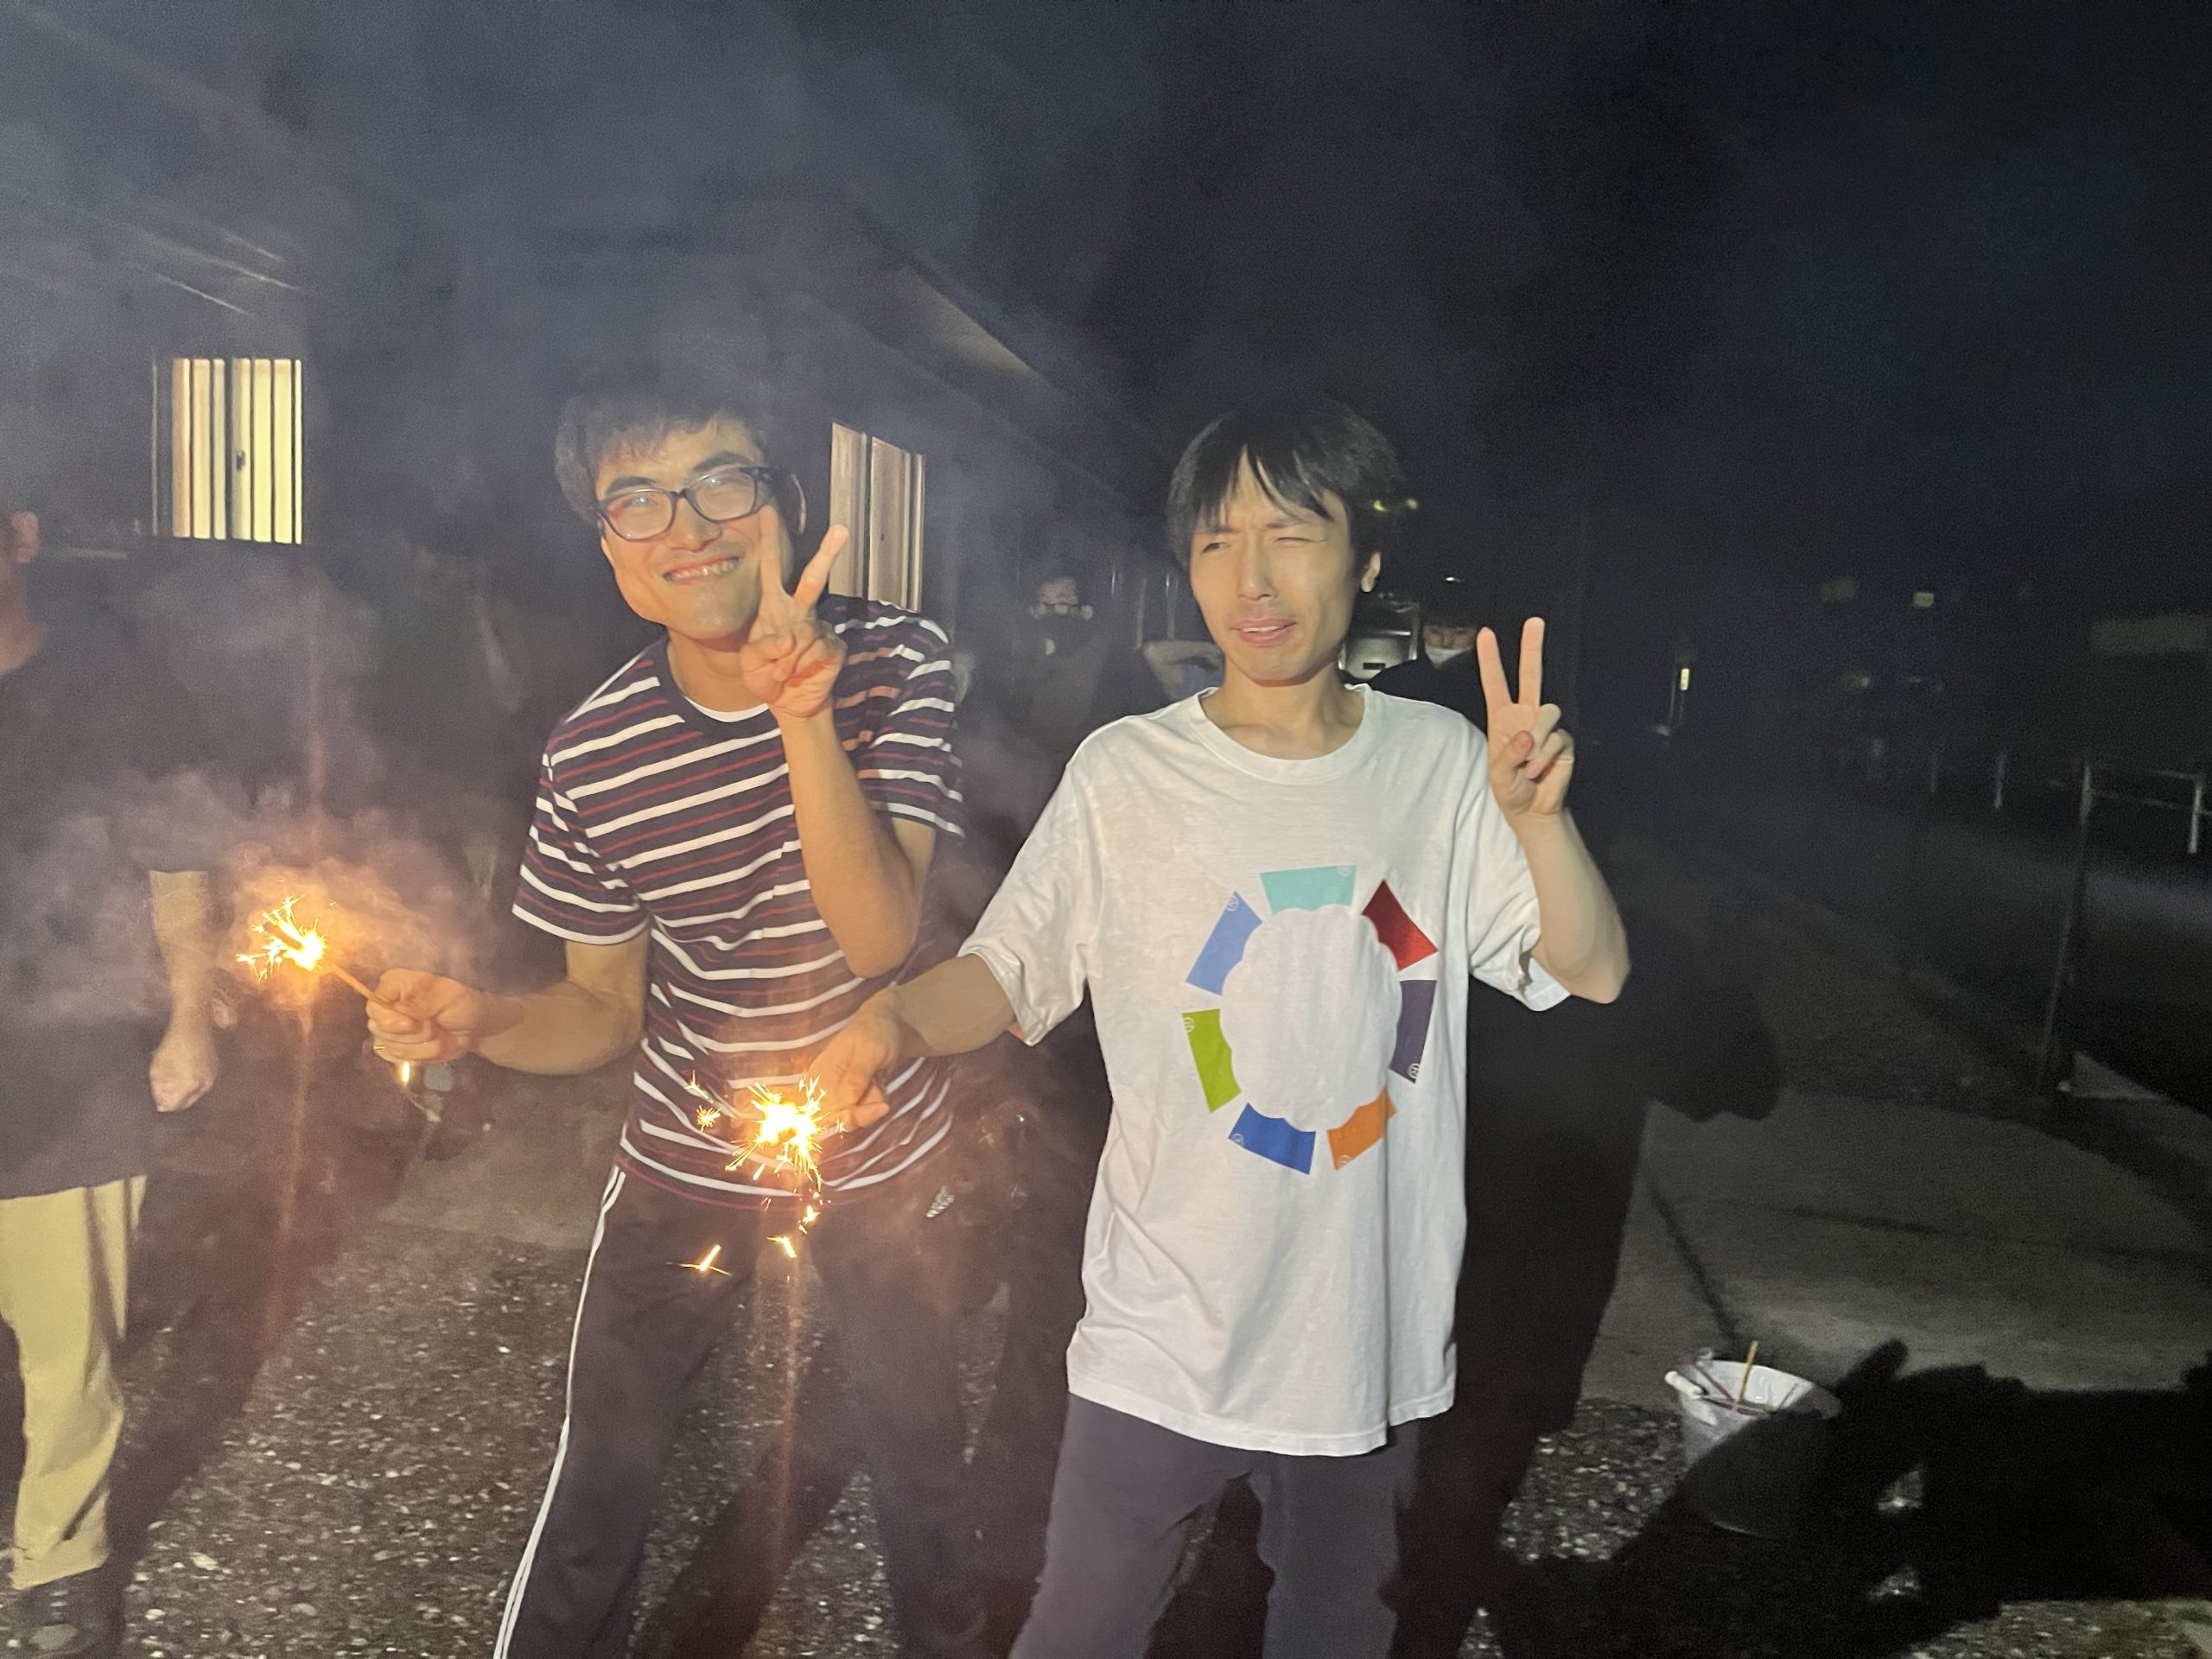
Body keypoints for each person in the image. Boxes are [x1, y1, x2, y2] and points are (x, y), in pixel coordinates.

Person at [811, 397, 1631, 1659]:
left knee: (1335, 1625)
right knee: (1080, 1625)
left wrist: (1537, 821)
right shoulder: (1127, 772)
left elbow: (1592, 968)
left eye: (1290, 535)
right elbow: (1007, 972)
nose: (1250, 579)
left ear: (1365, 556)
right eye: (1215, 542)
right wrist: (893, 1022)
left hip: (1360, 1328)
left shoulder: (1437, 763)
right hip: (1164, 1322)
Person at [364, 369, 984, 1659]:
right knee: (603, 1468)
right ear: (608, 548)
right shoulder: (593, 755)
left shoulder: (894, 661)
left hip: (882, 1140)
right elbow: (601, 1009)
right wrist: (484, 1019)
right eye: (637, 501)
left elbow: (880, 937)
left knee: (922, 1463)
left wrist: (803, 719)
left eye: (721, 482)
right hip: (686, 1147)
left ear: (782, 501)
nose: (687, 527)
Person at [0, 493, 219, 1657]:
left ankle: (61, 1565)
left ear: (22, 536)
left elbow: (180, 872)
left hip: (68, 1068)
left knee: (66, 1345)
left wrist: (190, 1018)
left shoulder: (121, 691)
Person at [1369, 599, 1483, 721]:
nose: (1446, 642)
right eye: (1435, 632)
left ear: (1478, 636)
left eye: (1460, 633)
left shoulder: (1488, 687)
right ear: (1423, 633)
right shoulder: (1391, 682)